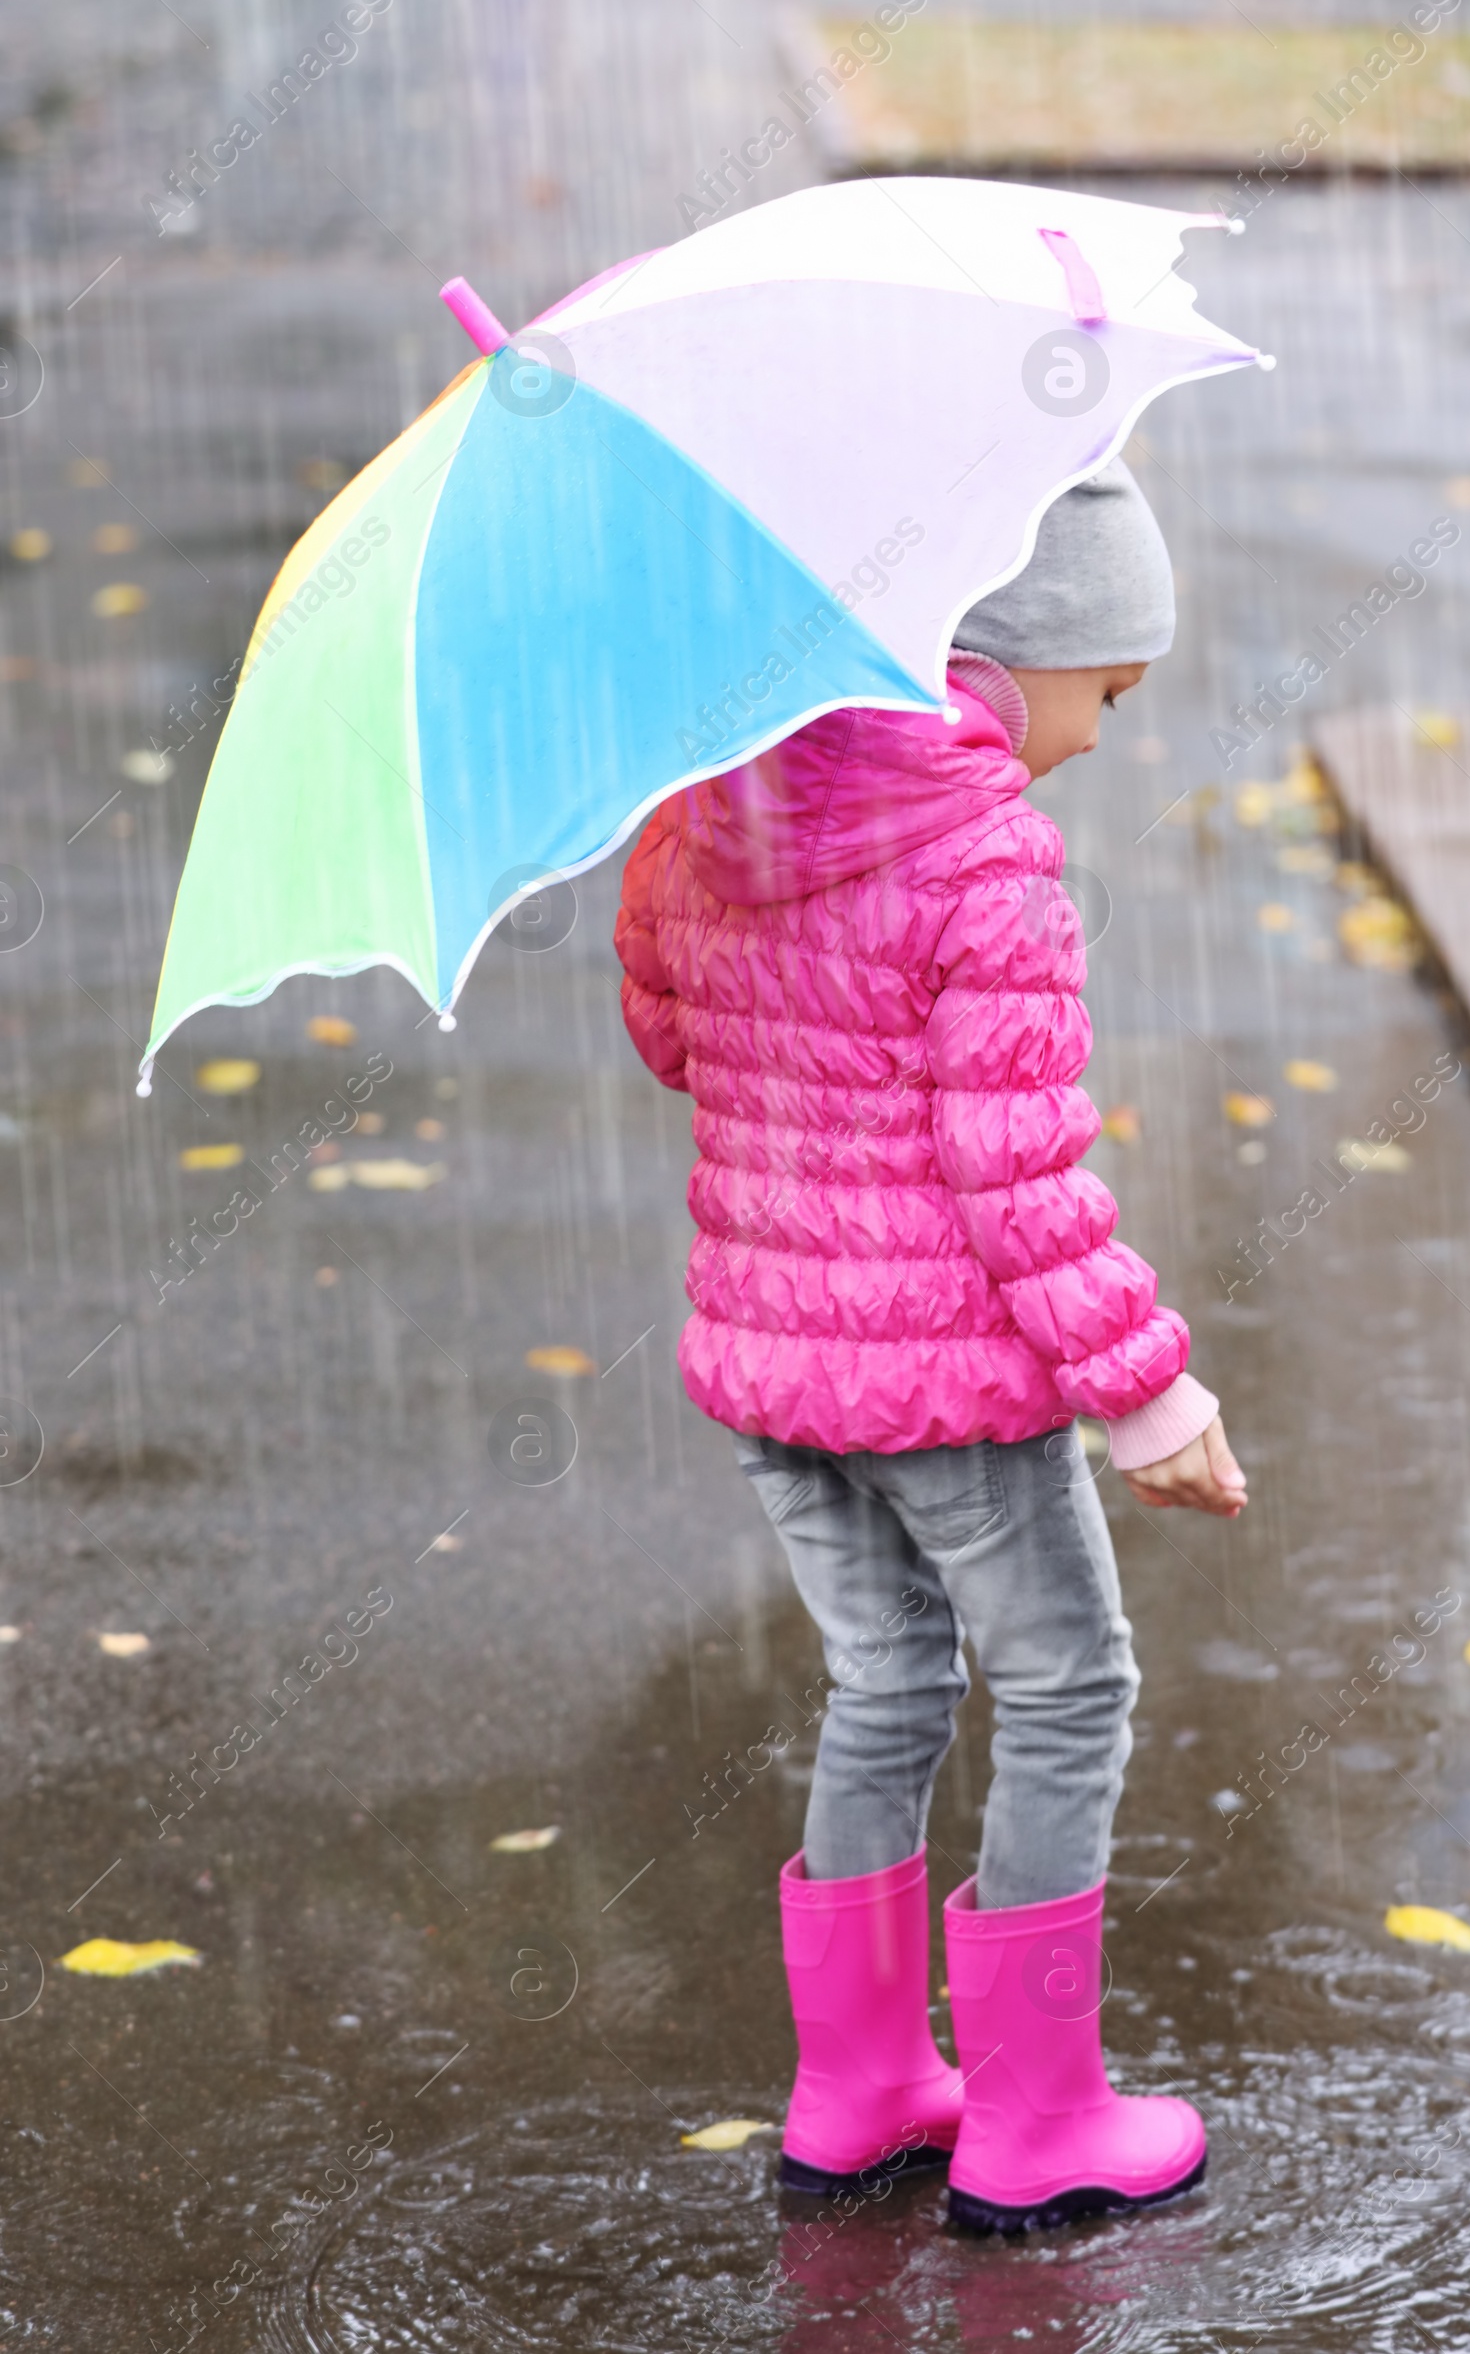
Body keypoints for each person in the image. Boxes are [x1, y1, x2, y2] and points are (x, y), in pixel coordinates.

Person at [613, 458, 1248, 2238]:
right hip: (942, 1381)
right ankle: (1037, 2116)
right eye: (1108, 690)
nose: (1109, 734)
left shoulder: (708, 811)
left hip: (770, 1367)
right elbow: (1018, 1171)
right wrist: (1147, 1390)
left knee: (887, 1682)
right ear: (1003, 654)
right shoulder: (981, 860)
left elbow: (670, 1034)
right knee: (1067, 1682)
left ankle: (859, 2085)